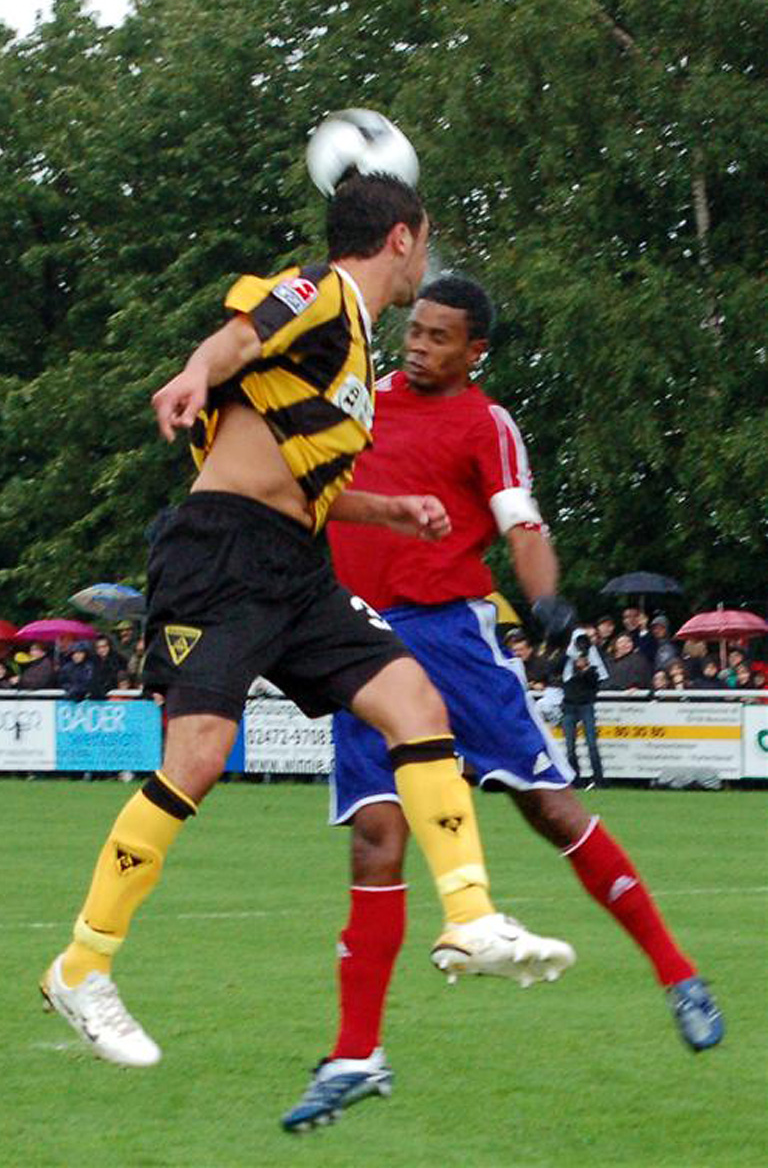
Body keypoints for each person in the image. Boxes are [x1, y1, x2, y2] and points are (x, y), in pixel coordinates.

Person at [40, 174, 573, 1073]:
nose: (426, 258)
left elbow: (300, 478)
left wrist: (390, 511)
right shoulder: (322, 291)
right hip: (222, 553)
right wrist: (195, 371)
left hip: (298, 566)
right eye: (424, 240)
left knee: (414, 702)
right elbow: (243, 332)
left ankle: (471, 915)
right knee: (198, 758)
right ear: (400, 239)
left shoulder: (350, 355)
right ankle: (82, 966)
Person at [281, 275, 723, 1132]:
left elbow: (523, 524)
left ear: (474, 350)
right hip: (358, 639)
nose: (418, 345)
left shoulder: (487, 423)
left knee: (551, 809)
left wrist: (545, 598)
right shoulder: (359, 403)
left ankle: (678, 973)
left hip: (452, 640)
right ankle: (355, 1053)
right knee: (375, 841)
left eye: (439, 336)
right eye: (415, 329)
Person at [560, 628, 608, 790]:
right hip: (569, 705)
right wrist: (569, 657)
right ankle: (575, 780)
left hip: (586, 704)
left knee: (591, 744)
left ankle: (599, 779)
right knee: (570, 746)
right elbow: (554, 670)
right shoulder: (566, 659)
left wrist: (586, 669)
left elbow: (597, 682)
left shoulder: (592, 659)